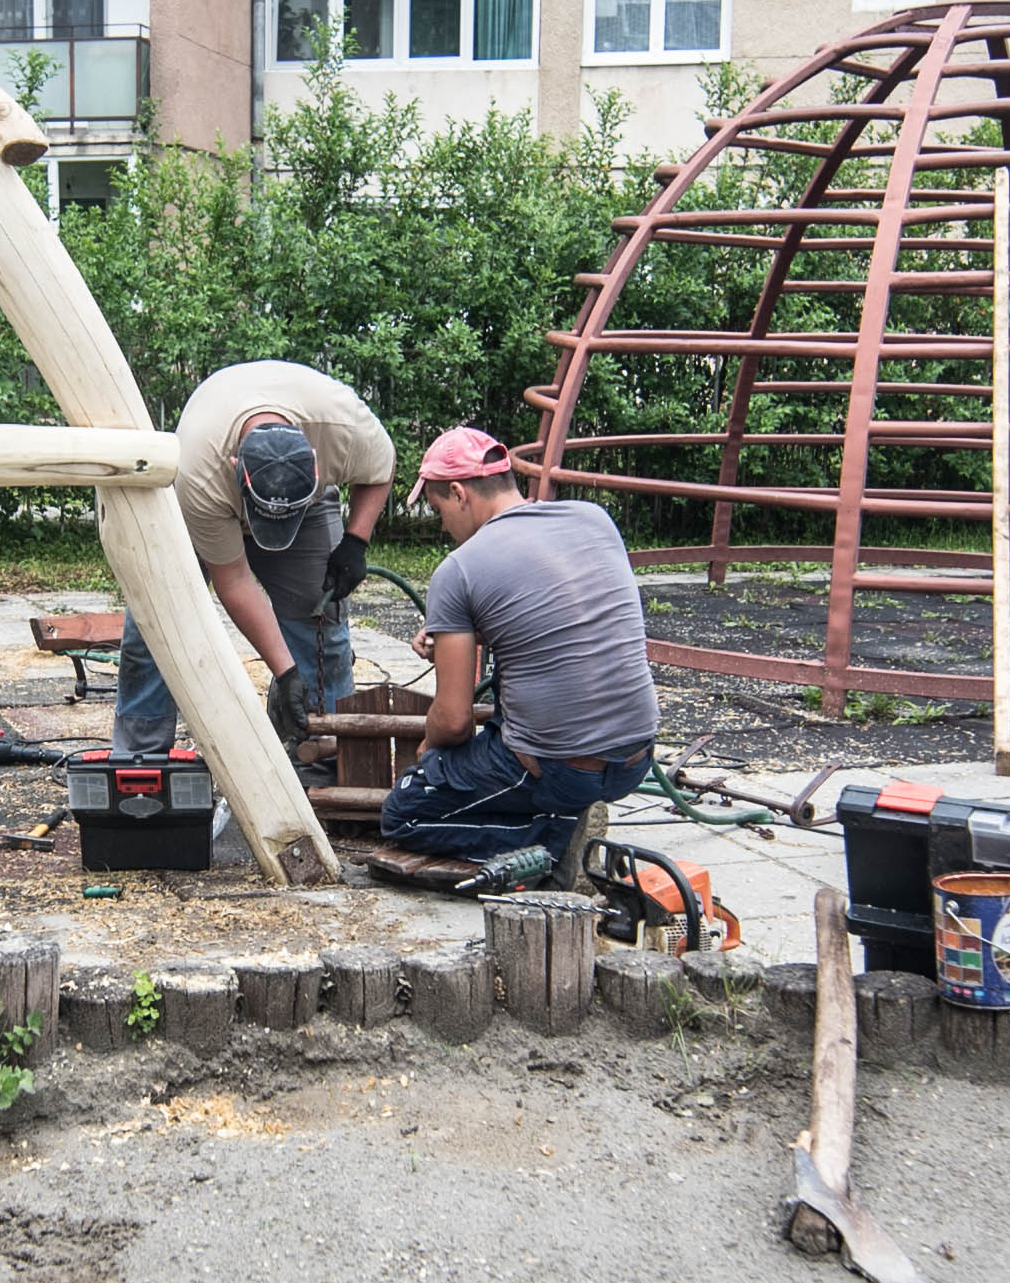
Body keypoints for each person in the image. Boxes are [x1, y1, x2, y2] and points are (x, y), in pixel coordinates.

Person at [377, 426, 661, 888]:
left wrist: (428, 749)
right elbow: (558, 616)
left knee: (404, 813)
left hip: (562, 770)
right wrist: (466, 633)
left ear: (458, 492)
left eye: (438, 510)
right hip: (636, 755)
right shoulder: (593, 519)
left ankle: (555, 839)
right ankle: (560, 819)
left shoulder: (459, 568)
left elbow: (453, 721)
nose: (443, 526)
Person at [111, 360, 394, 760]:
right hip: (208, 505)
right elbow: (235, 582)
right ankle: (141, 757)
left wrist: (356, 540)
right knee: (156, 620)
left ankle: (324, 749)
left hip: (307, 509)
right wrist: (284, 669)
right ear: (235, 467)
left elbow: (381, 469)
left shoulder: (345, 429)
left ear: (317, 462)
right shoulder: (200, 471)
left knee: (321, 620)